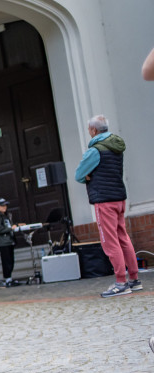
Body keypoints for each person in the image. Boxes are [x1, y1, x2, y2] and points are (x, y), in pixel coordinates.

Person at [74, 115, 141, 298]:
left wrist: (88, 176)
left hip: (103, 201)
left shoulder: (94, 150)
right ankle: (134, 279)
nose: (89, 132)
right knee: (123, 238)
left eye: (89, 129)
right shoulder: (116, 147)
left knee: (110, 242)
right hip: (119, 198)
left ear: (94, 130)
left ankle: (121, 282)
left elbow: (79, 174)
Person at [0, 198, 20, 287]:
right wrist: (10, 228)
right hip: (3, 242)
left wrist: (16, 226)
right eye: (1, 205)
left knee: (11, 260)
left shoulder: (6, 216)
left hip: (9, 241)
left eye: (5, 205)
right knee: (6, 261)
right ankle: (7, 279)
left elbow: (8, 225)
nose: (4, 207)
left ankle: (10, 278)